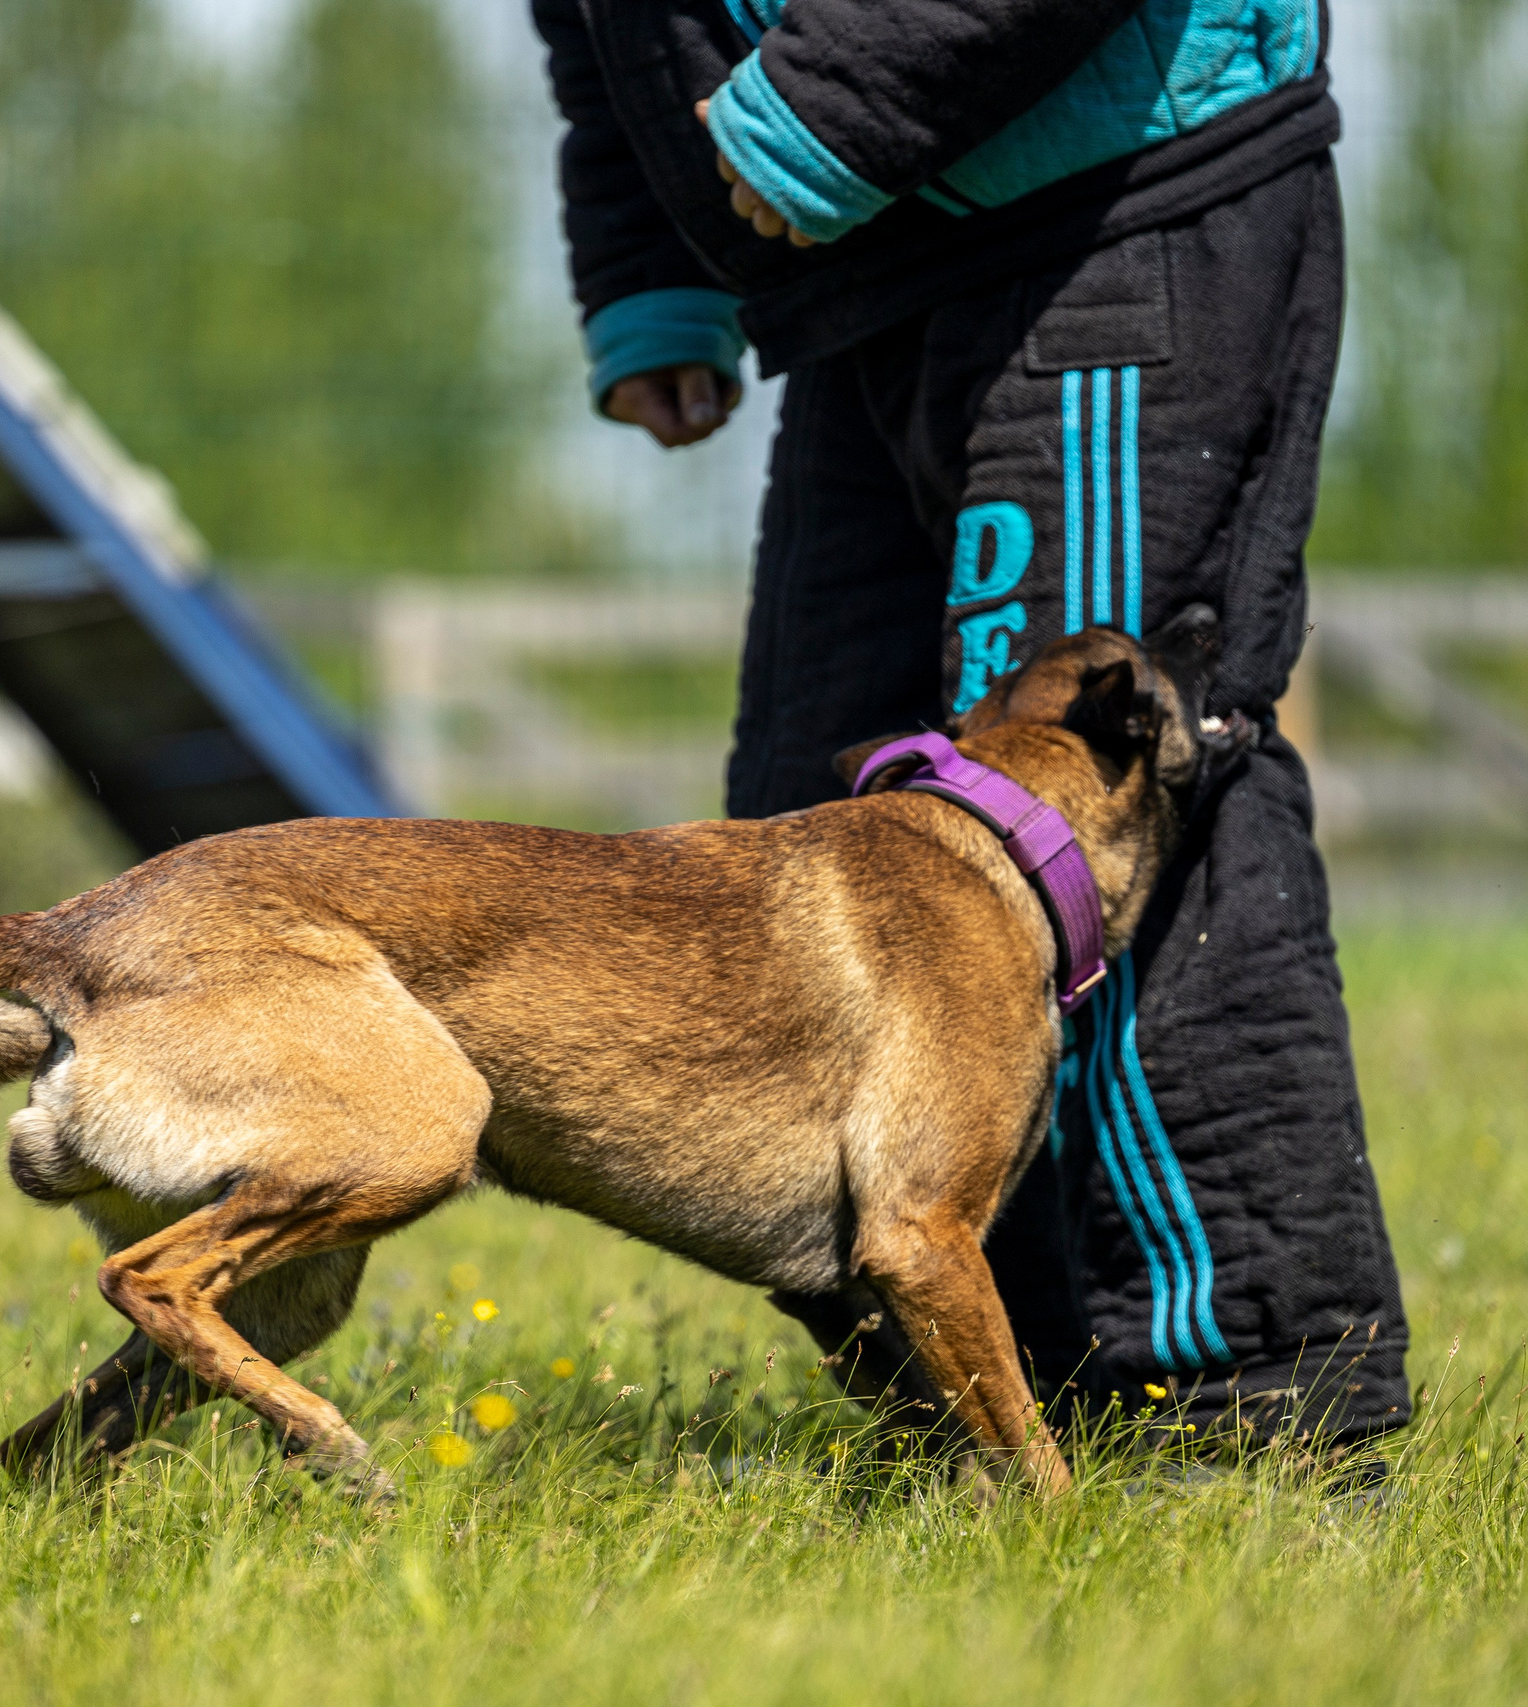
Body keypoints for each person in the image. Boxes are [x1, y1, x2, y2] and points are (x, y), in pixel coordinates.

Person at [532, 0, 1409, 1445]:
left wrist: (834, 101)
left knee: (1099, 817)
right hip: (862, 259)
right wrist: (652, 264)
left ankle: (1257, 1410)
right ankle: (989, 1408)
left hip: (1107, 200)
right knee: (806, 853)